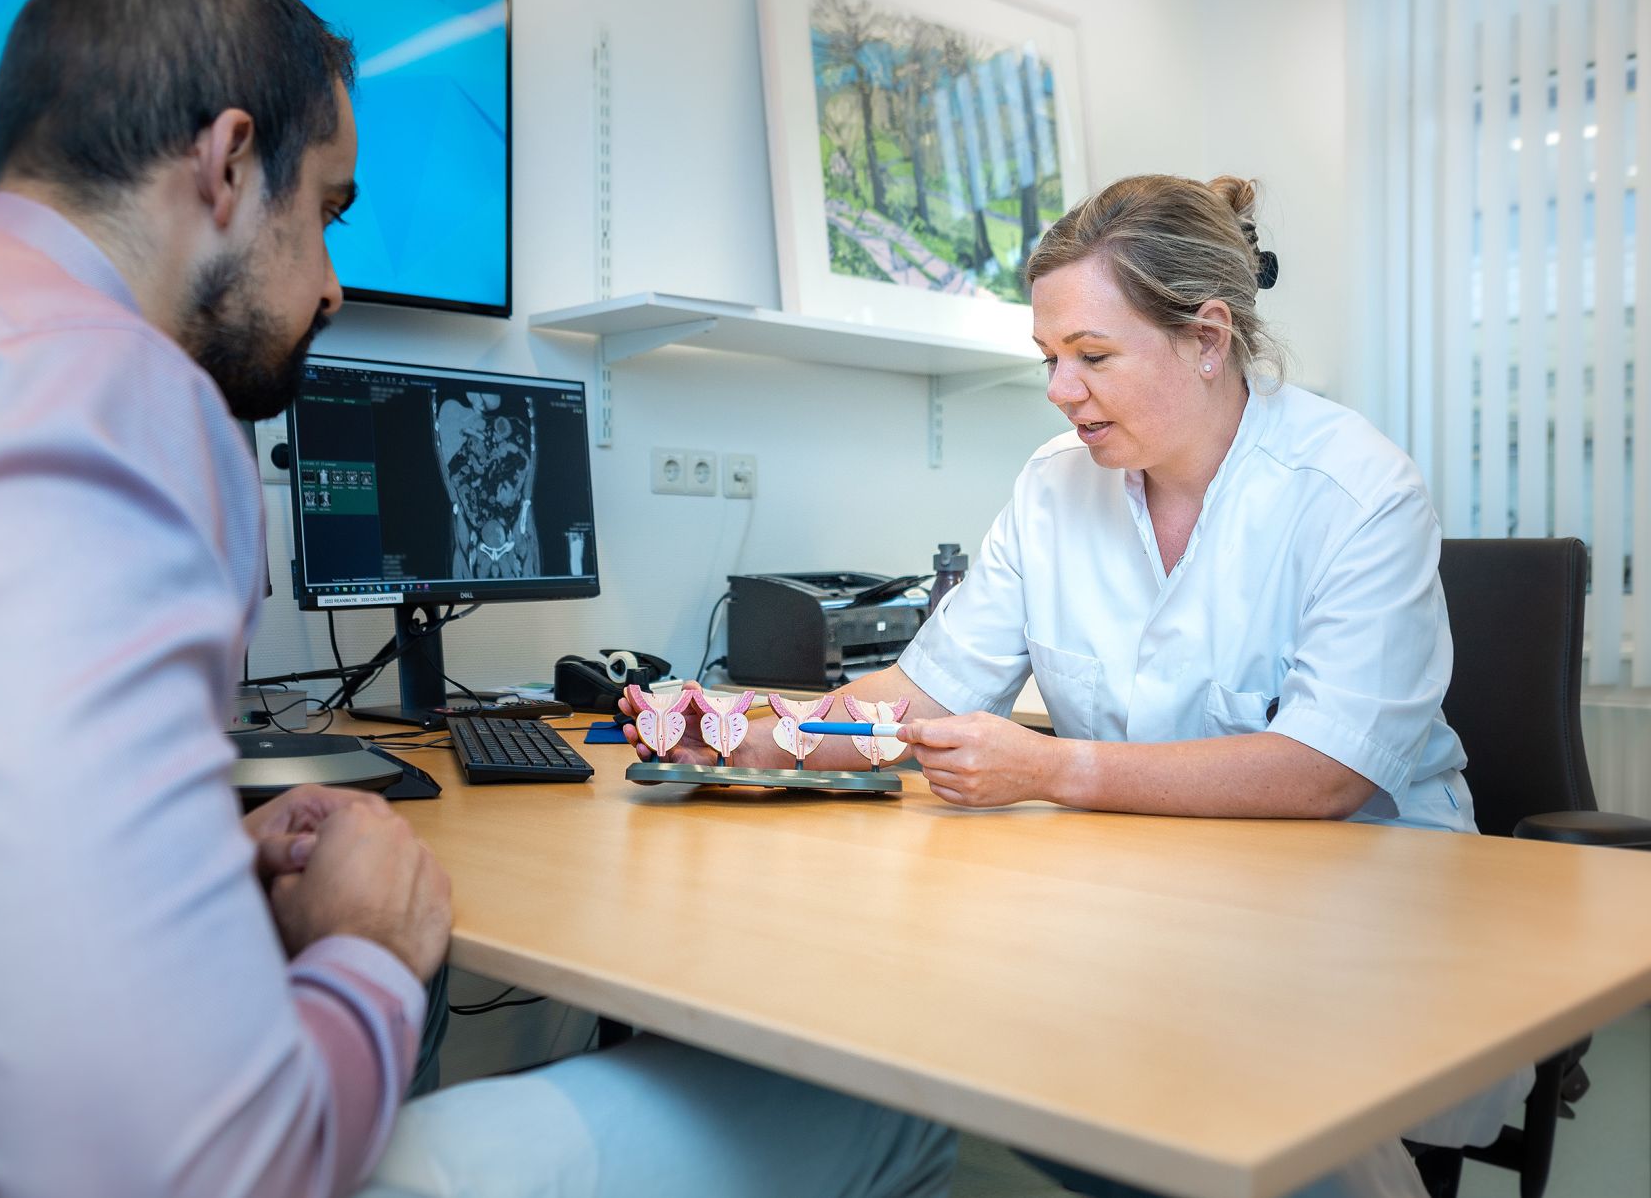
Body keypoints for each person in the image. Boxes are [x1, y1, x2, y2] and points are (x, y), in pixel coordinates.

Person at [0, 0, 956, 1195]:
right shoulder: (106, 393)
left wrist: (196, 860)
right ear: (226, 163)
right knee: (880, 1108)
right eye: (326, 209)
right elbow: (179, 1161)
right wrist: (368, 955)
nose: (328, 283)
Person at [625, 174, 1519, 1197]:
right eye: (1048, 357)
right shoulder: (1055, 484)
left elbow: (1325, 772)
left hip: (1361, 904)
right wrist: (745, 736)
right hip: (1155, 892)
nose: (1059, 388)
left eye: (1091, 356)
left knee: (1249, 1103)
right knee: (973, 1019)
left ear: (1208, 338)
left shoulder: (1354, 490)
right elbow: (920, 695)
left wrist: (1052, 770)